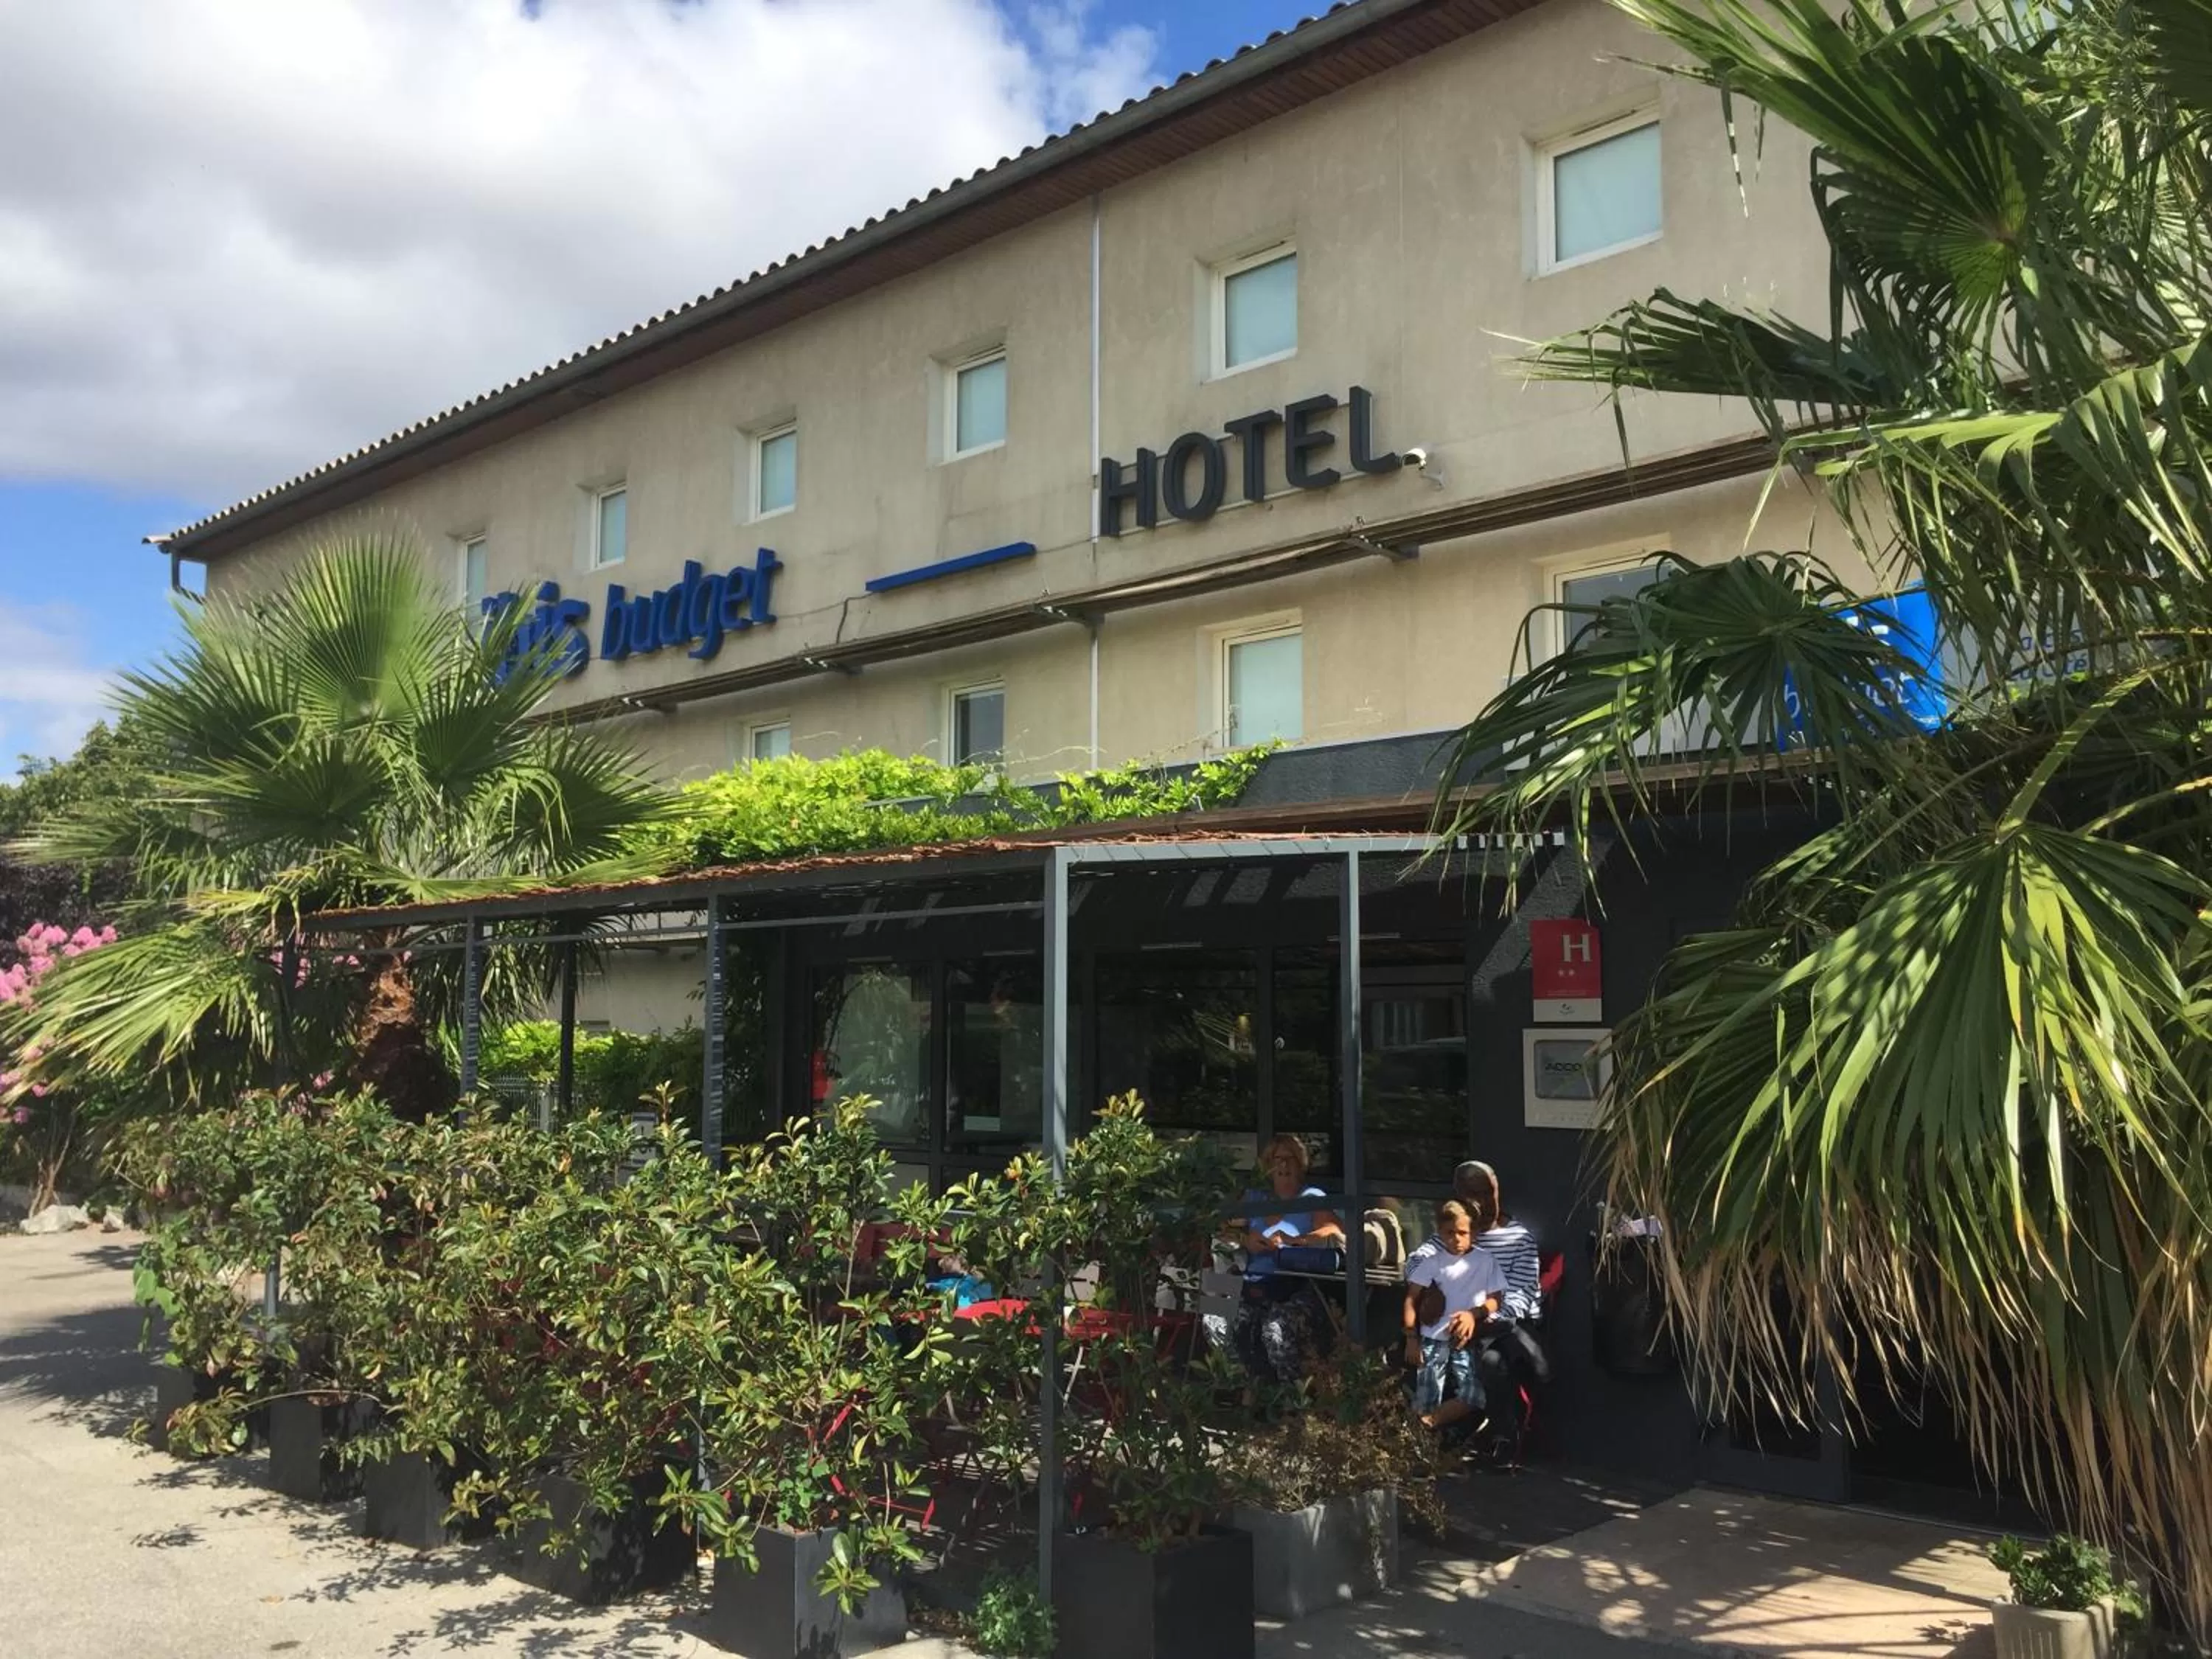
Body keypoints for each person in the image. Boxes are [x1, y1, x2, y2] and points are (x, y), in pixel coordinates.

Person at [1408, 1161, 1551, 1460]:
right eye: (1475, 1195)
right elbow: (1416, 1261)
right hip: (1452, 1327)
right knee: (1413, 1350)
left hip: (1496, 1329)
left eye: (1489, 1193)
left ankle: (1503, 1435)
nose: (1485, 1203)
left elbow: (1521, 1298)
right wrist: (1431, 1291)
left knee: (1491, 1361)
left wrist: (1477, 1318)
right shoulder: (1454, 1233)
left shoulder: (1518, 1239)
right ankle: (1436, 1431)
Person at [1229, 1133, 1344, 1384]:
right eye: (1276, 1159)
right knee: (1212, 1317)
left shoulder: (1311, 1197)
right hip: (1251, 1283)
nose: (1283, 1165)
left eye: (1289, 1158)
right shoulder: (1255, 1198)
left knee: (1274, 1330)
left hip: (1295, 1286)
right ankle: (1247, 1387)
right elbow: (1221, 1228)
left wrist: (1297, 1241)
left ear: (1300, 1163)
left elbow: (1336, 1231)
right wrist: (1245, 1239)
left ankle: (1292, 1400)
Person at [1403, 1200, 1507, 1430]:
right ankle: (1418, 1448)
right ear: (1440, 1232)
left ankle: (1428, 1423)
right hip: (1432, 1340)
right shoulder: (1433, 1263)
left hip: (1464, 1340)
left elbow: (1496, 1298)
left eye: (1463, 1233)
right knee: (1427, 1397)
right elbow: (1411, 1298)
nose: (1457, 1239)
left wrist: (1475, 1313)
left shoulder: (1486, 1261)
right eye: (1450, 1233)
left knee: (1473, 1396)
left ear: (1475, 1233)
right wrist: (1412, 1338)